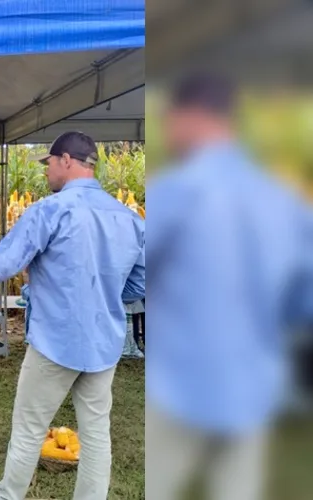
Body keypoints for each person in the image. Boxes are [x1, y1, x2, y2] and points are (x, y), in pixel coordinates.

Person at [0, 131, 145, 500]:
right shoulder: (128, 219)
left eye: (49, 163)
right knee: (97, 435)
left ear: (66, 160)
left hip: (56, 342)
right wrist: (101, 298)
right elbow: (142, 282)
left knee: (29, 430)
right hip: (104, 344)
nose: (46, 171)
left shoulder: (50, 211)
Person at [145, 73, 313, 500]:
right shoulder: (285, 200)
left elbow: (139, 275)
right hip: (254, 389)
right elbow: (301, 304)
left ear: (190, 117)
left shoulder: (177, 192)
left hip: (181, 387)